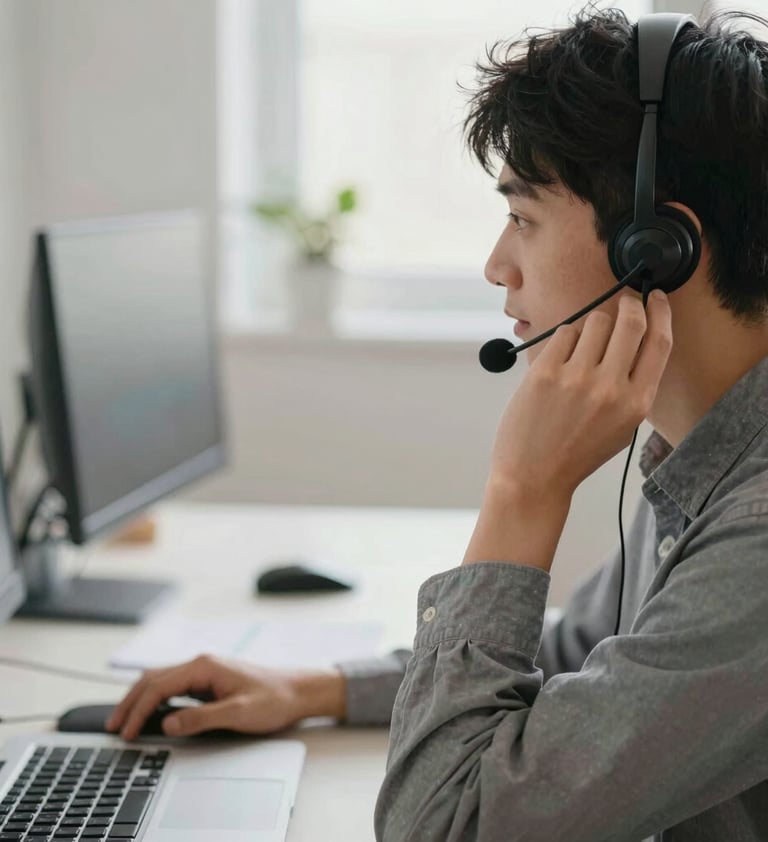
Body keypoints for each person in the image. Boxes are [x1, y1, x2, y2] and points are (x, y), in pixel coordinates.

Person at [107, 7, 768, 841]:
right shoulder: (703, 450)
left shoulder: (756, 535)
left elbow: (443, 824)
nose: (497, 265)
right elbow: (580, 653)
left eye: (523, 218)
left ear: (658, 247)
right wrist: (319, 688)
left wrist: (523, 491)